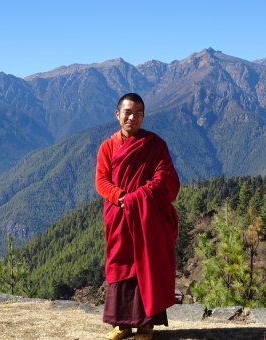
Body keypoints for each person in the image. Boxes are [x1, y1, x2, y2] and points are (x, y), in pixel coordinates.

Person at [95, 93, 180, 340]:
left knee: (146, 266)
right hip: (119, 214)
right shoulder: (107, 147)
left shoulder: (155, 145)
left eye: (139, 113)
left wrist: (137, 198)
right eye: (128, 112)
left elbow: (165, 179)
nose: (133, 117)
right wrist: (121, 197)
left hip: (146, 218)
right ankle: (122, 324)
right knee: (121, 266)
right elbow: (101, 181)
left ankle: (145, 325)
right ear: (117, 114)